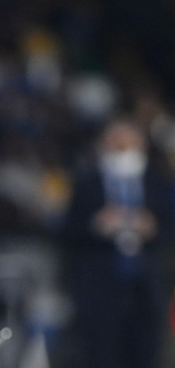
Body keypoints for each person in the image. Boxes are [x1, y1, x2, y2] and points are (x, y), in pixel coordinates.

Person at [60, 117, 175, 368]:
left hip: (146, 288)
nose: (122, 148)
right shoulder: (86, 182)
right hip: (100, 288)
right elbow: (66, 230)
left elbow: (168, 227)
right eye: (116, 142)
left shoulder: (158, 181)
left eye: (128, 141)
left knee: (146, 354)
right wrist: (96, 225)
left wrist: (152, 227)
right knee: (102, 355)